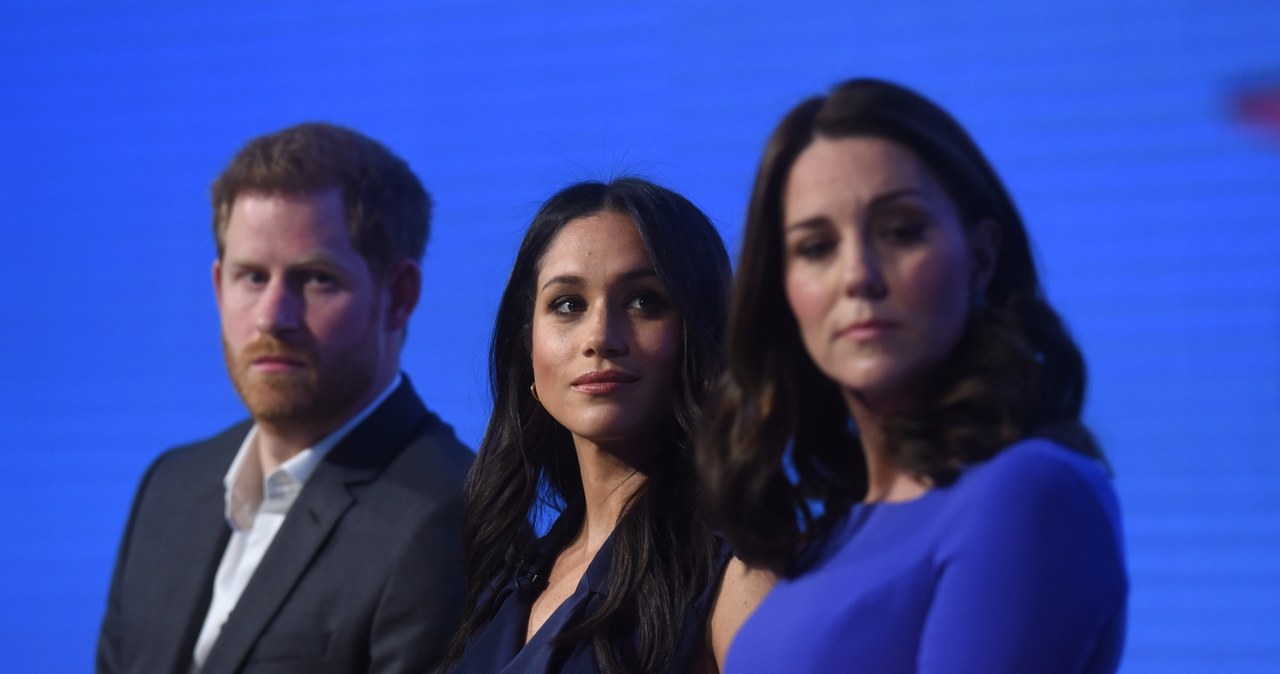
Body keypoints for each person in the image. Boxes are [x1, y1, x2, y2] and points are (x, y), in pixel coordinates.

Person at [698, 78, 1128, 673]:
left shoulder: (1029, 492)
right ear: (783, 291)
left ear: (980, 258)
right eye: (816, 247)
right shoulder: (833, 531)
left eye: (900, 231)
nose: (858, 276)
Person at [96, 122, 474, 674]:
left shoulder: (453, 517)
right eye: (251, 277)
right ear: (218, 285)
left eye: (315, 279)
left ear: (399, 296)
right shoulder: (169, 487)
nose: (273, 316)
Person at [441, 178, 773, 674]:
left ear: (701, 340)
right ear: (527, 354)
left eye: (644, 301)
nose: (599, 337)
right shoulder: (511, 577)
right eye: (568, 304)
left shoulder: (742, 572)